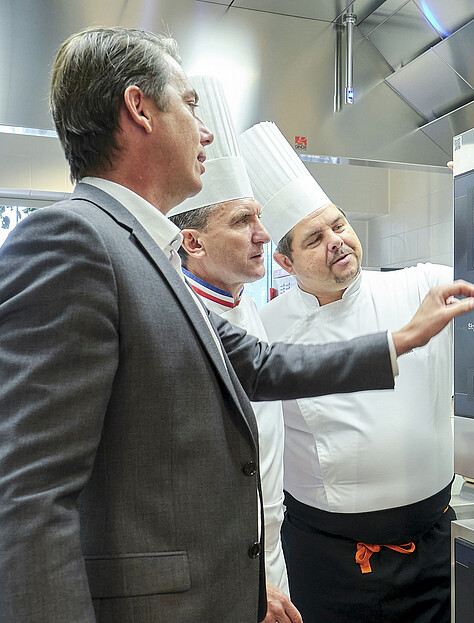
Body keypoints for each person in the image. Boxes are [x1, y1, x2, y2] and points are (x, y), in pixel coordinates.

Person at [0, 27, 474, 623]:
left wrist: (401, 338)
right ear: (140, 110)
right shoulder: (71, 239)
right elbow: (23, 500)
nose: (207, 130)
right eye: (190, 106)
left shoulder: (146, 251)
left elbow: (257, 366)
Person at [240, 121, 457, 623]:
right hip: (326, 561)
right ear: (285, 262)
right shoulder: (264, 330)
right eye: (315, 238)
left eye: (339, 225)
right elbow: (256, 456)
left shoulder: (420, 286)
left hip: (433, 550)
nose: (336, 241)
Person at [166, 75, 296, 621]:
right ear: (192, 242)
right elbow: (178, 483)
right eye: (243, 221)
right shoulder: (176, 321)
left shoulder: (248, 311)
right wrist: (244, 585)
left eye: (259, 218)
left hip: (268, 554)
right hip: (216, 575)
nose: (264, 234)